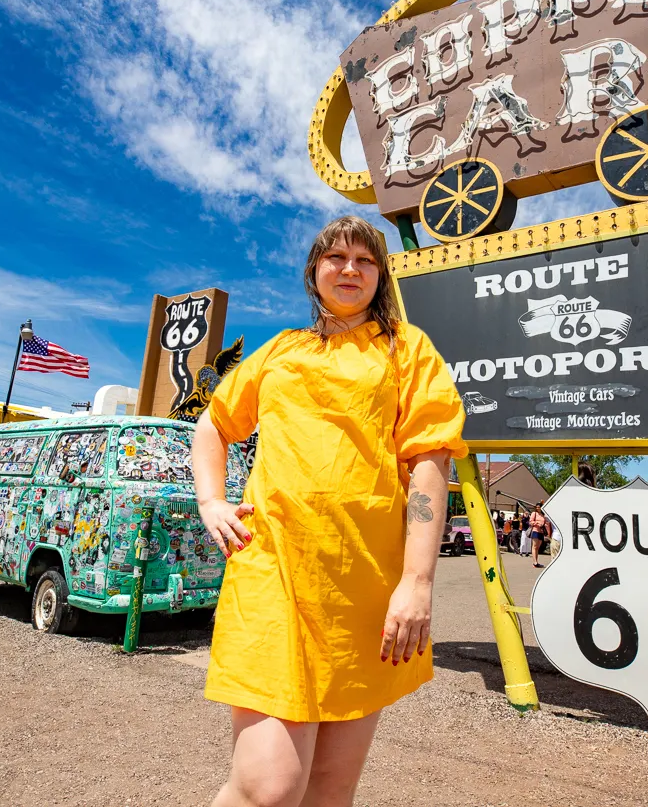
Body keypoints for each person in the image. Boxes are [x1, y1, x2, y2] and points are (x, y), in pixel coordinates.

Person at [191, 215, 466, 807]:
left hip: (362, 591)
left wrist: (416, 583)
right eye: (336, 258)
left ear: (381, 275)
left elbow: (429, 462)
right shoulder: (281, 351)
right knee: (268, 787)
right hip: (274, 576)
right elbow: (214, 423)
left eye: (365, 260)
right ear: (314, 273)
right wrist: (211, 500)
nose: (350, 269)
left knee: (329, 790)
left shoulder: (407, 350)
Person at [529, 502, 550, 568]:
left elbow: (545, 522)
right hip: (535, 530)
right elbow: (531, 522)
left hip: (541, 532)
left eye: (539, 507)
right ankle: (534, 561)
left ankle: (536, 562)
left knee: (538, 547)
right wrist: (537, 523)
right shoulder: (534, 513)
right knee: (534, 546)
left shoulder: (543, 514)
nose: (538, 508)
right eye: (537, 507)